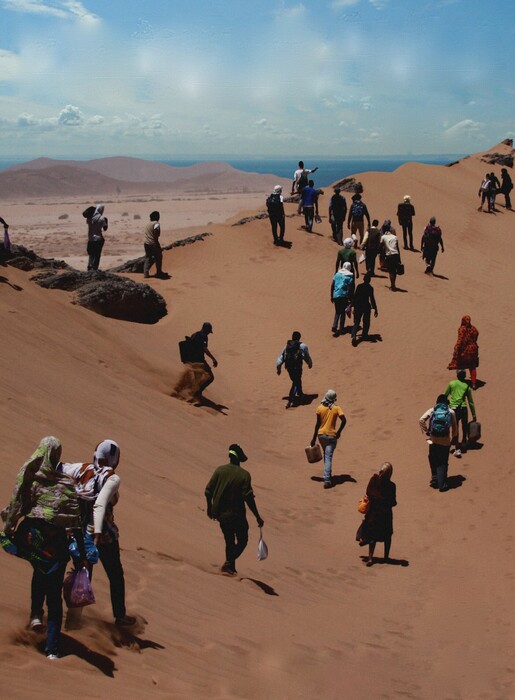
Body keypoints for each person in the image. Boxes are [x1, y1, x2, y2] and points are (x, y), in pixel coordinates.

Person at [1, 437, 86, 659]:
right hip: (57, 545)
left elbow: (19, 506)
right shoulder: (66, 483)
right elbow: (74, 522)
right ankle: (52, 649)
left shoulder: (33, 480)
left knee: (39, 573)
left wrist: (7, 529)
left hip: (33, 539)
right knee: (54, 594)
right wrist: (81, 558)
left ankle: (36, 614)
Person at [60, 439, 135, 626]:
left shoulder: (81, 469)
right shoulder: (109, 476)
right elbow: (101, 505)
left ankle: (73, 620)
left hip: (79, 533)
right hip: (104, 536)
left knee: (82, 575)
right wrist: (97, 533)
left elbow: (59, 467)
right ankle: (120, 616)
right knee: (115, 575)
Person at [205, 444, 264, 575]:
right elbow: (248, 497)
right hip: (237, 515)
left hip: (221, 514)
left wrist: (209, 508)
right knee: (243, 540)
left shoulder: (219, 470)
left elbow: (208, 491)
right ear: (239, 458)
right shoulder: (244, 475)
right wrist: (257, 516)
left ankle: (230, 567)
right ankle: (229, 562)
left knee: (229, 540)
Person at [358, 462, 396, 566]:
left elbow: (369, 492)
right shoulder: (391, 486)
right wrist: (385, 500)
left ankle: (370, 558)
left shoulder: (374, 480)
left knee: (372, 536)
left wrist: (379, 499)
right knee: (387, 535)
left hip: (374, 513)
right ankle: (386, 557)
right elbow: (393, 502)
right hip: (386, 515)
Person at [419, 395, 457, 492]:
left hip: (433, 439)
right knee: (443, 461)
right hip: (445, 441)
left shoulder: (432, 410)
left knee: (432, 457)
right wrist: (454, 438)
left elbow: (421, 420)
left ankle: (435, 478)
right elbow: (455, 427)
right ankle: (442, 484)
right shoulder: (451, 412)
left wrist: (427, 431)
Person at [310, 390, 346, 489]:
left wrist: (313, 438)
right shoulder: (336, 408)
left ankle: (327, 476)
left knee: (327, 455)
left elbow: (317, 424)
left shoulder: (319, 408)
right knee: (328, 456)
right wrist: (339, 432)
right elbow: (344, 420)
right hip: (331, 436)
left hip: (321, 435)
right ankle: (327, 479)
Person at [176, 322, 218, 400]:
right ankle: (196, 393)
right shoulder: (203, 336)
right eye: (209, 331)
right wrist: (213, 359)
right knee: (210, 377)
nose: (209, 333)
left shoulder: (194, 334)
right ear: (206, 329)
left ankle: (185, 391)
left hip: (191, 360)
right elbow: (204, 349)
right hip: (199, 361)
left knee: (196, 378)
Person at [445, 370, 477, 457]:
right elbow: (470, 402)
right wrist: (474, 415)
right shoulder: (467, 386)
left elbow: (445, 395)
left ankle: (457, 448)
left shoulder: (451, 384)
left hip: (454, 409)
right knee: (464, 426)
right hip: (463, 408)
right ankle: (463, 443)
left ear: (457, 375)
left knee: (456, 428)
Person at [276, 331, 313, 408]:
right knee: (296, 381)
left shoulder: (287, 346)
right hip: (297, 367)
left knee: (296, 380)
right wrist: (310, 364)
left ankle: (300, 393)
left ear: (292, 337)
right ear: (299, 338)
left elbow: (281, 358)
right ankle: (291, 399)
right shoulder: (303, 346)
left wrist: (279, 369)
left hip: (289, 367)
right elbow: (306, 356)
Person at [447, 315, 479, 389]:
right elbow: (477, 334)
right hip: (474, 349)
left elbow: (460, 339)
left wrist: (456, 347)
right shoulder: (473, 328)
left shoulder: (462, 329)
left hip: (465, 349)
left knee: (459, 363)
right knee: (472, 366)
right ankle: (474, 383)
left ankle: (461, 381)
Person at [351, 273, 378, 346]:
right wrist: (375, 308)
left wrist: (352, 306)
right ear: (369, 280)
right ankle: (364, 335)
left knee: (356, 322)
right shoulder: (370, 288)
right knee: (366, 321)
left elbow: (355, 296)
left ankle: (354, 335)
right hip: (366, 306)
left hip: (358, 305)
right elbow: (372, 299)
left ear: (363, 279)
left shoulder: (359, 286)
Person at [331, 262, 355, 337]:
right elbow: (350, 288)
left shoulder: (337, 274)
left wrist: (331, 296)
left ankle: (334, 326)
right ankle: (341, 329)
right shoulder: (349, 277)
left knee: (337, 311)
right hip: (344, 296)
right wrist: (350, 298)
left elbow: (332, 285)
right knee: (343, 313)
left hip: (336, 295)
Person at [86, 204, 108, 271]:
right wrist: (106, 221)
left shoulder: (89, 218)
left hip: (90, 239)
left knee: (91, 254)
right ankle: (95, 268)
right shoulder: (102, 218)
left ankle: (89, 266)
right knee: (97, 254)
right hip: (99, 239)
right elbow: (105, 228)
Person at [143, 210, 165, 278]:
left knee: (148, 258)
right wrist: (156, 243)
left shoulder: (148, 224)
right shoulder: (156, 224)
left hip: (146, 243)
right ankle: (159, 272)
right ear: (157, 217)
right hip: (153, 243)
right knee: (159, 257)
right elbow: (156, 233)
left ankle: (146, 273)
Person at [380, 225, 401, 291]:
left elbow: (381, 247)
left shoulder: (383, 237)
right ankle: (393, 284)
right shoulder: (395, 237)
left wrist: (381, 256)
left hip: (389, 255)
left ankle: (392, 286)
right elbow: (397, 248)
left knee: (391, 271)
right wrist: (399, 259)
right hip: (396, 255)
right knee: (394, 271)